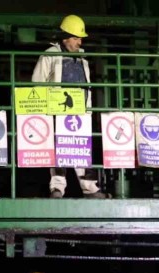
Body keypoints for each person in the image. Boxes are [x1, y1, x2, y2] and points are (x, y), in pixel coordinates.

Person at [31, 14, 108, 199]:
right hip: (57, 111)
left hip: (80, 110)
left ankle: (90, 188)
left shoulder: (82, 58)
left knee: (81, 147)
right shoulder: (50, 54)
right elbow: (37, 82)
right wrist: (44, 108)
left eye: (80, 38)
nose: (79, 42)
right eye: (75, 38)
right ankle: (57, 188)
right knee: (59, 149)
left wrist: (88, 109)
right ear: (65, 37)